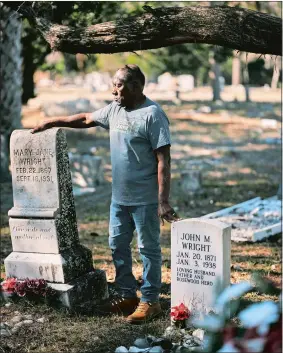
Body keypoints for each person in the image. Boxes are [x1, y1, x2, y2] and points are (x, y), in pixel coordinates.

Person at [32, 64, 179, 324]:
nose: (114, 90)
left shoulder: (153, 115)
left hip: (145, 199)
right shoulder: (115, 109)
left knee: (149, 249)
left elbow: (163, 160)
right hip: (119, 198)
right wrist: (51, 121)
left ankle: (150, 300)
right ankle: (126, 295)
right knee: (117, 245)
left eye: (119, 85)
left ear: (136, 86)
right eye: (114, 84)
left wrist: (163, 201)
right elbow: (86, 118)